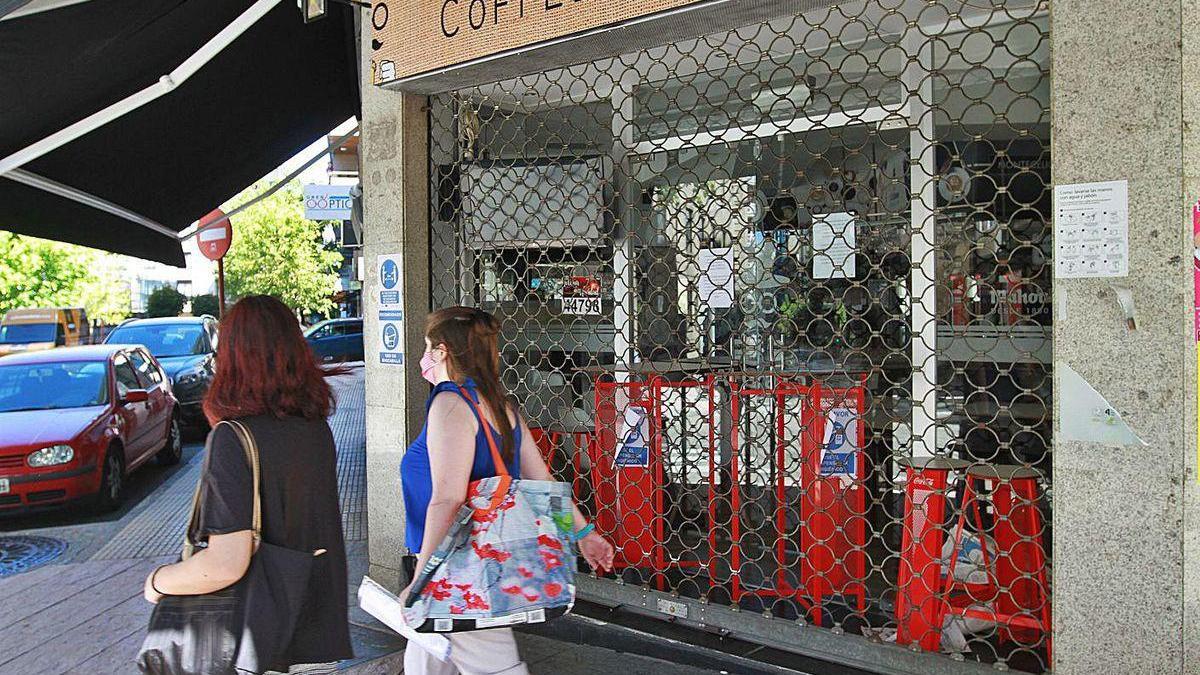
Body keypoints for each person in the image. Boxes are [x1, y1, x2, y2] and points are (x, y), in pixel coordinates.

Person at [142, 295, 353, 674]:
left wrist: (159, 582)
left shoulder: (232, 438)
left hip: (260, 645)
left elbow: (225, 564)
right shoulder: (315, 428)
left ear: (233, 357)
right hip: (316, 630)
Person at [400, 306, 615, 675]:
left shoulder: (450, 405)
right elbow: (544, 486)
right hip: (475, 564)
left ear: (442, 352)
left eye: (426, 348)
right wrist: (583, 533)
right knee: (425, 661)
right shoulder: (503, 409)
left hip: (460, 570)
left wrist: (423, 579)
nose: (423, 359)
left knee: (492, 665)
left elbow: (447, 500)